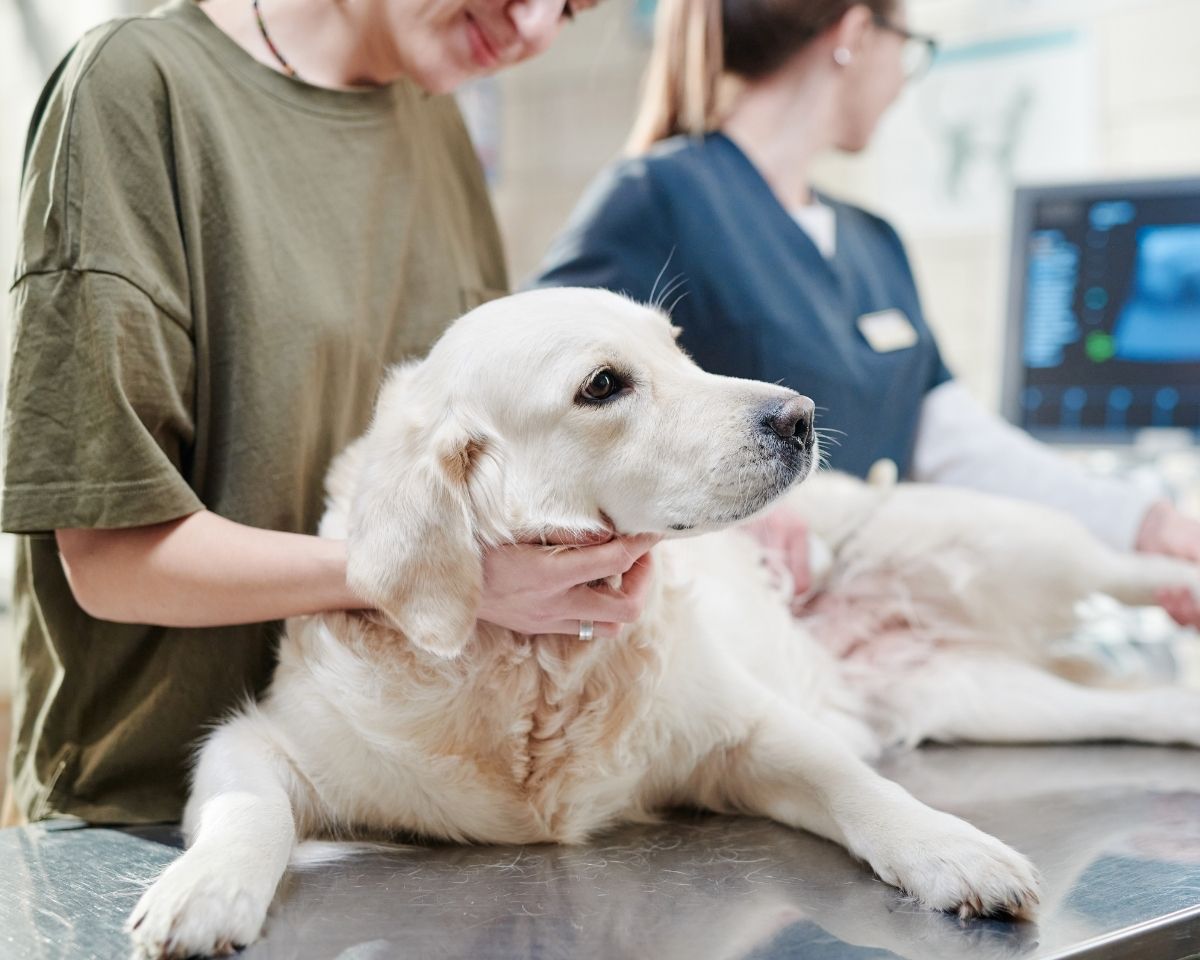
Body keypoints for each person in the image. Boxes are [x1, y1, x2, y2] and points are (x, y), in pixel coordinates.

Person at [1, 0, 662, 827]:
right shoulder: (138, 90)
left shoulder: (435, 120)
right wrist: (420, 572)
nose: (530, 29)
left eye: (571, 10)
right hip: (148, 819)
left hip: (402, 804)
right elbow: (110, 558)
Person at [534, 0, 1200, 625]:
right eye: (907, 47)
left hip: (872, 627)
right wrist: (727, 522)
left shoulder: (873, 239)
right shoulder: (656, 198)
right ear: (854, 36)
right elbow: (536, 417)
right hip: (732, 630)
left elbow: (955, 445)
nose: (904, 82)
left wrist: (1148, 524)